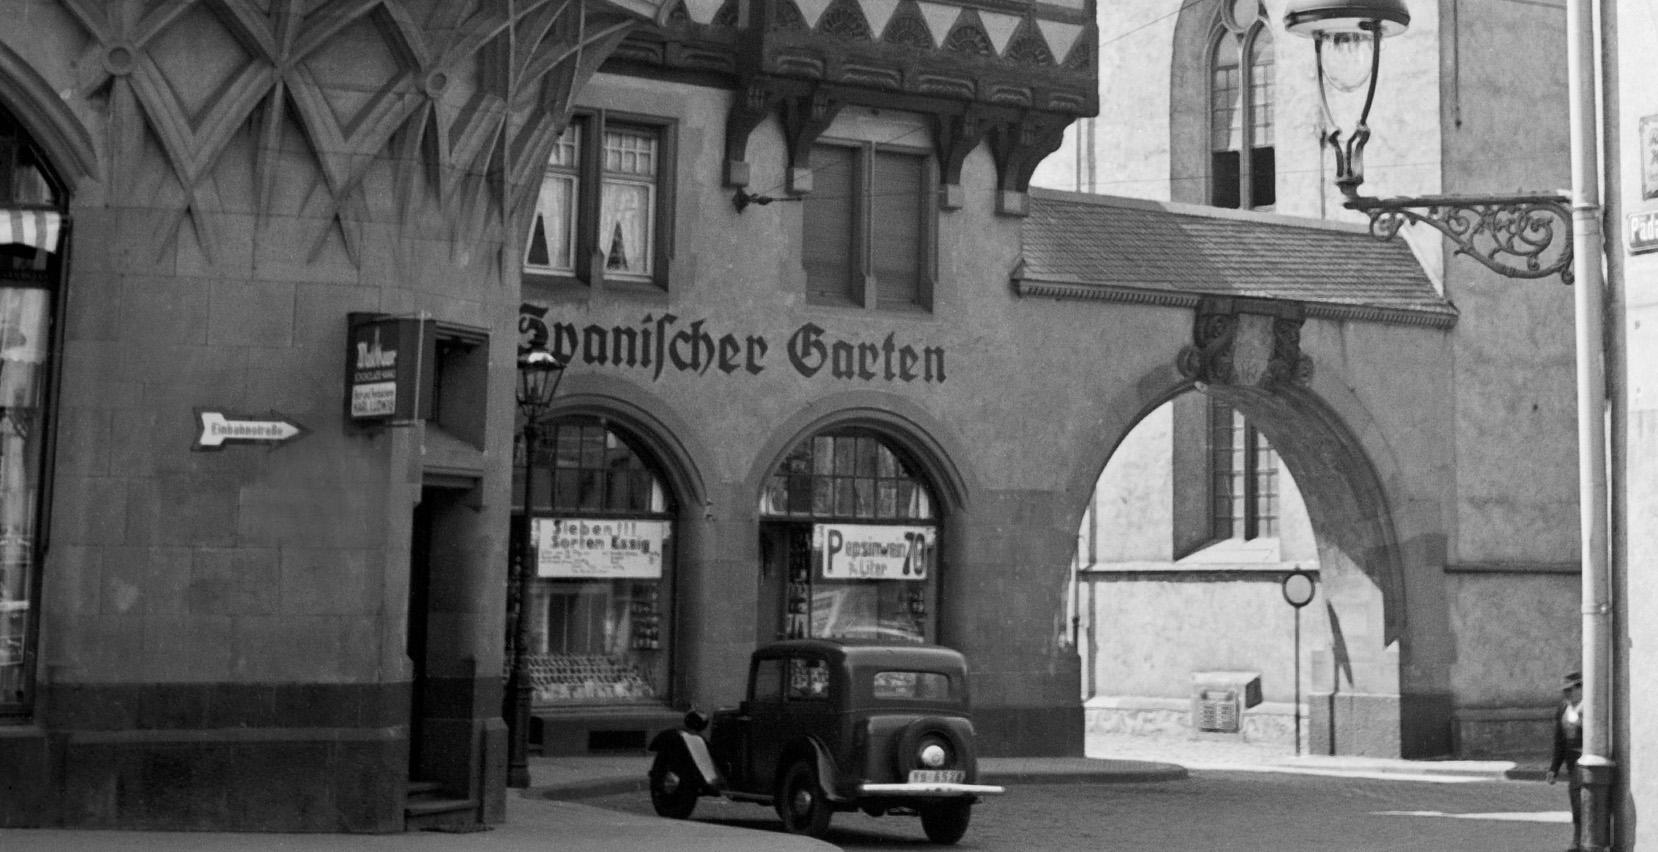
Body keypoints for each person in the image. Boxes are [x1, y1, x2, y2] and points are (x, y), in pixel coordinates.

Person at [1546, 671, 1584, 852]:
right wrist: (1554, 768)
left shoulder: (1590, 707)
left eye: (1570, 690)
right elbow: (1559, 741)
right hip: (1572, 764)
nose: (1566, 694)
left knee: (1583, 805)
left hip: (1585, 763)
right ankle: (1579, 841)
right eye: (1564, 691)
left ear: (1581, 688)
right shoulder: (1563, 708)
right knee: (1576, 804)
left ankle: (1582, 842)